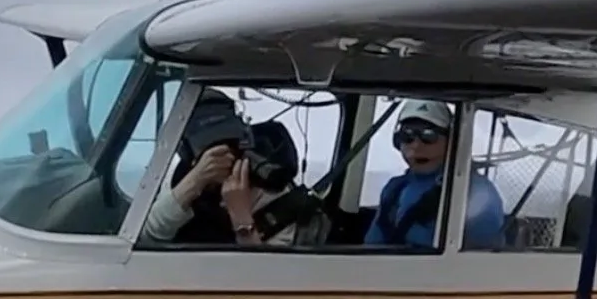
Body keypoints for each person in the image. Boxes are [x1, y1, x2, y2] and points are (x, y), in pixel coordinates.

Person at [142, 93, 326, 247]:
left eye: (230, 147)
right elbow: (149, 237)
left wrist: (241, 216)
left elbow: (265, 280)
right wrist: (195, 181)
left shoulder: (280, 200)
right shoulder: (185, 180)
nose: (219, 163)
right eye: (207, 158)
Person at [364, 99, 507, 249]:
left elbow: (482, 261)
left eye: (429, 136)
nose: (416, 146)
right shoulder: (394, 189)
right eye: (407, 136)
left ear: (453, 141)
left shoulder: (476, 191)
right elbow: (372, 246)